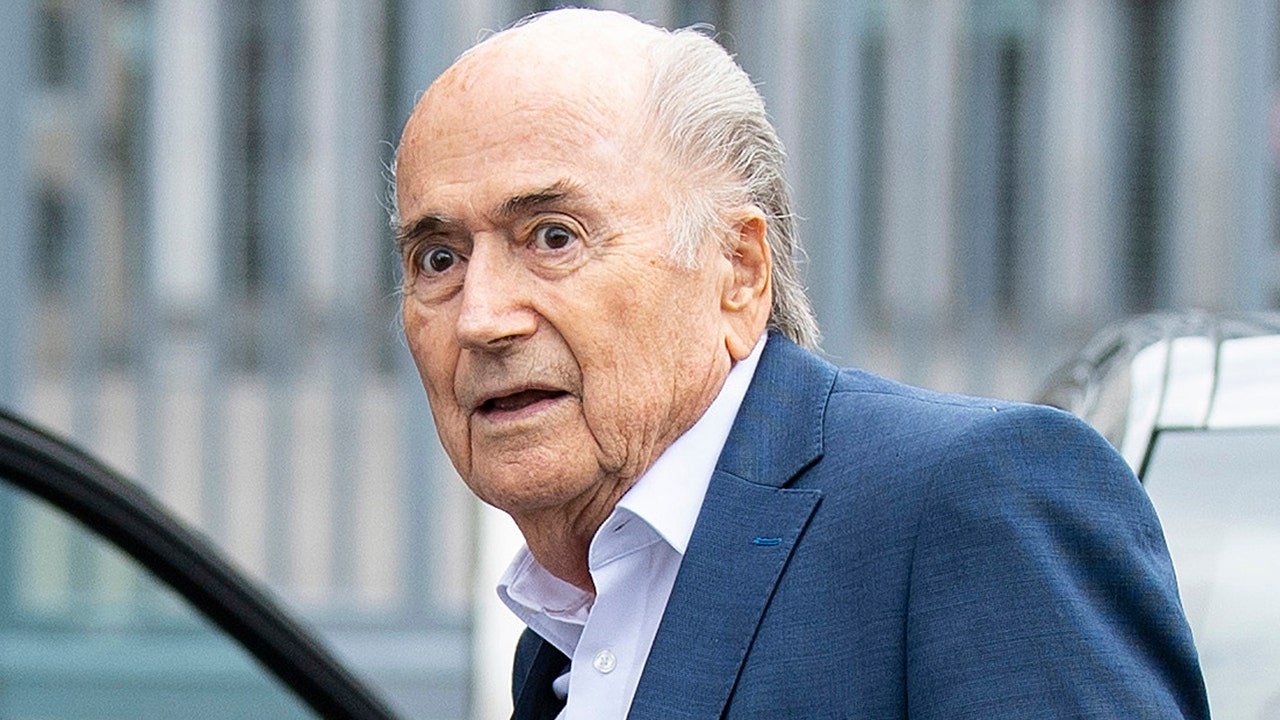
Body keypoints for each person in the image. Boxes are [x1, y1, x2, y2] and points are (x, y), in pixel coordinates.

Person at [392, 8, 1208, 719]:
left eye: (553, 237)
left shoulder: (969, 503)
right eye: (438, 258)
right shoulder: (562, 632)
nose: (482, 317)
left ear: (739, 272)